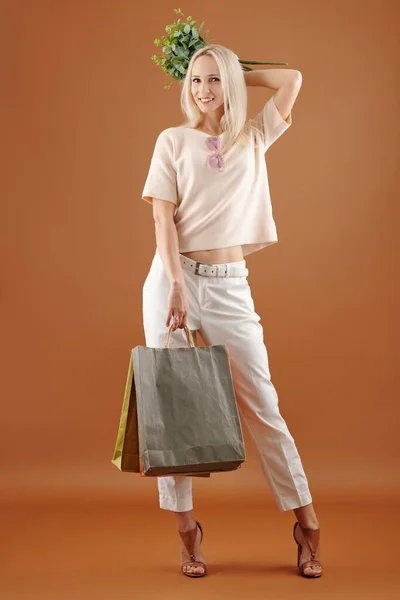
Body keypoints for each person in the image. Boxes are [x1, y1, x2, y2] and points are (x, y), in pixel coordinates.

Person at [141, 43, 323, 579]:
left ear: (232, 85)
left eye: (215, 80)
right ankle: (186, 533)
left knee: (262, 404)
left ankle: (307, 525)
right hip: (172, 282)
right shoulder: (171, 141)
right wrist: (175, 284)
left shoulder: (255, 135)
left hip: (228, 286)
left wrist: (229, 62)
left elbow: (292, 77)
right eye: (196, 79)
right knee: (171, 407)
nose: (204, 90)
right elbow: (162, 220)